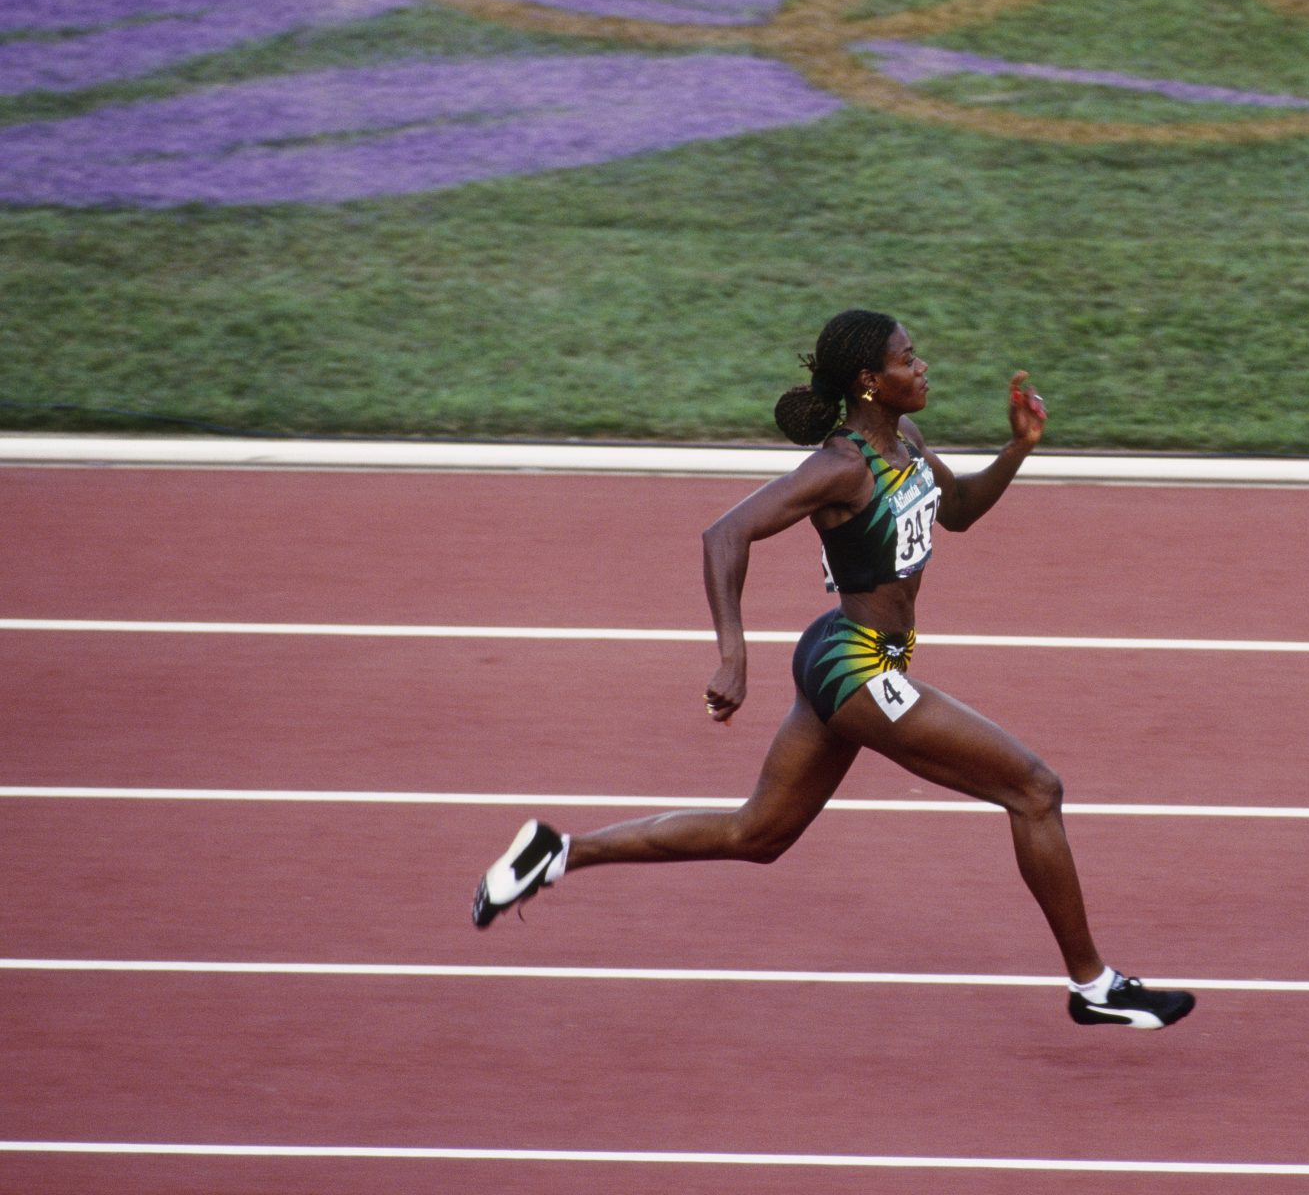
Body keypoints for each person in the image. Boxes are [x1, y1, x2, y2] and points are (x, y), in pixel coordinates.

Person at [471, 310, 1193, 1029]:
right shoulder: (842, 466)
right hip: (854, 666)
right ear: (870, 383)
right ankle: (1093, 985)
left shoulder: (905, 440)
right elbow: (725, 532)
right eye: (909, 359)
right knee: (1035, 788)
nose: (924, 367)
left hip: (849, 653)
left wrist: (1017, 449)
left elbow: (961, 510)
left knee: (757, 835)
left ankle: (557, 852)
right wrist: (732, 652)